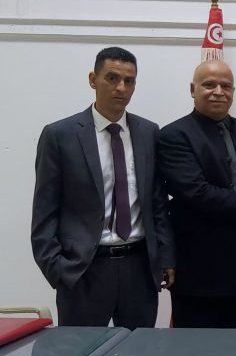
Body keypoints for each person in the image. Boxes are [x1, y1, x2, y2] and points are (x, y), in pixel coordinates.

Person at [31, 47, 175, 329]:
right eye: (112, 78)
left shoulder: (148, 133)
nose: (121, 87)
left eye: (129, 81)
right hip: (84, 270)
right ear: (92, 79)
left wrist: (165, 255)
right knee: (81, 351)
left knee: (139, 350)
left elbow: (157, 202)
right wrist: (58, 270)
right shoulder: (59, 135)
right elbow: (44, 212)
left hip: (139, 268)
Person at [158, 60, 236, 329]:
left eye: (226, 86)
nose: (218, 92)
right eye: (209, 85)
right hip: (199, 270)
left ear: (233, 92)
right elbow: (198, 193)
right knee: (196, 349)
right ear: (192, 89)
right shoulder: (174, 135)